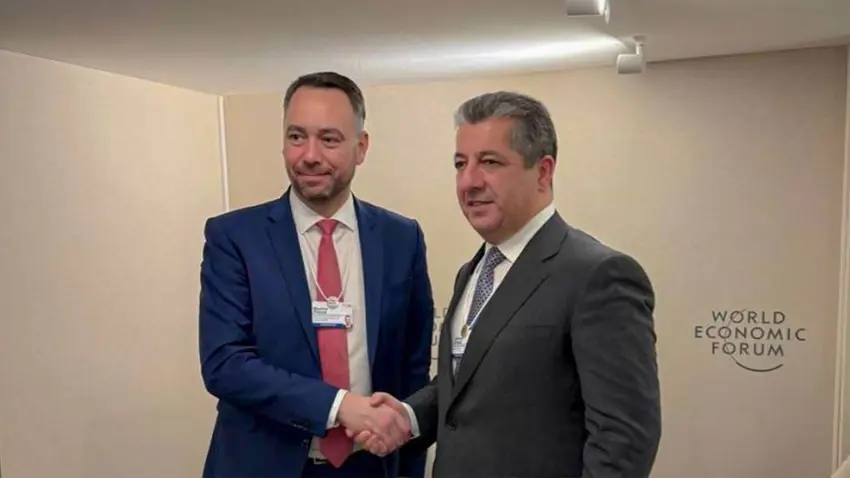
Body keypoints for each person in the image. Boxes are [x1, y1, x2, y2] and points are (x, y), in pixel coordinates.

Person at [354, 91, 662, 477]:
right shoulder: (472, 272)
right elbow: (469, 388)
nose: (469, 182)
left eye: (490, 162)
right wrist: (408, 416)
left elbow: (624, 440)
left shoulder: (598, 276)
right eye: (460, 164)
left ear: (543, 172)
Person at [198, 71, 434, 478]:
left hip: (369, 466)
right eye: (296, 136)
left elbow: (413, 369)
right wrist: (339, 406)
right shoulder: (235, 237)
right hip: (264, 466)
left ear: (361, 147)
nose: (309, 155)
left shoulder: (401, 238)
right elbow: (225, 363)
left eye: (329, 139)